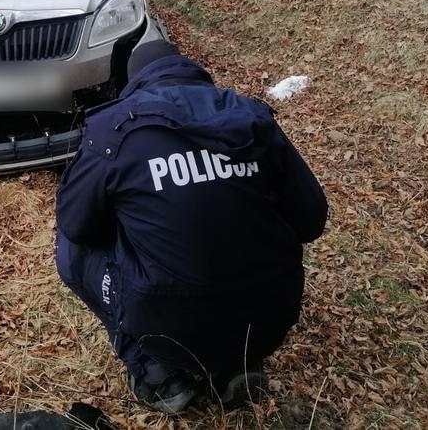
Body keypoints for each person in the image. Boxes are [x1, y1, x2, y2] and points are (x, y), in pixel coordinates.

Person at [55, 41, 328, 414]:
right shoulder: (250, 117)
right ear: (192, 72)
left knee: (69, 250)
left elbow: (75, 224)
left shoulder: (115, 130)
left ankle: (156, 371)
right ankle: (239, 362)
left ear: (135, 83)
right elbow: (311, 219)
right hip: (270, 316)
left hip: (167, 323)